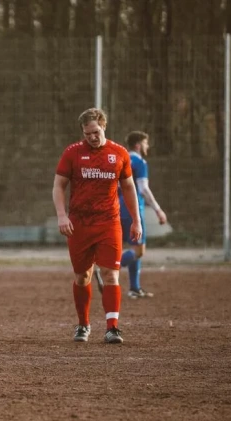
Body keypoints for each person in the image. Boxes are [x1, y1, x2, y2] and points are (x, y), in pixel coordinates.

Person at [52, 108, 143, 344]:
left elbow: (129, 188)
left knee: (110, 274)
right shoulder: (72, 153)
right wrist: (62, 216)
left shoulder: (119, 153)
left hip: (108, 222)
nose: (92, 137)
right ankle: (83, 325)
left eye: (95, 132)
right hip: (79, 224)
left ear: (104, 127)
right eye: (87, 133)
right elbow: (59, 186)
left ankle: (112, 327)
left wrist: (136, 220)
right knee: (82, 277)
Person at [96, 131, 167, 299]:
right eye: (145, 143)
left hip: (116, 208)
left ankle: (134, 287)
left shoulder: (120, 159)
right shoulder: (139, 162)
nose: (147, 146)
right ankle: (105, 269)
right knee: (139, 251)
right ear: (138, 145)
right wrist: (158, 209)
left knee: (132, 248)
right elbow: (143, 189)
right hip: (132, 209)